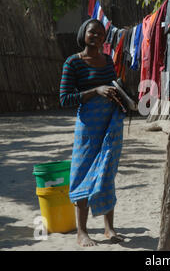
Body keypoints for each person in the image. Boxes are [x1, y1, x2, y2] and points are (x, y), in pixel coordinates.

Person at [59, 19, 126, 247]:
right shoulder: (72, 63)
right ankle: (82, 232)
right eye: (92, 32)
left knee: (107, 171)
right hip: (88, 127)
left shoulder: (107, 60)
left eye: (100, 33)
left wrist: (121, 97)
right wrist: (95, 90)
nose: (96, 36)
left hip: (110, 123)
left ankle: (109, 229)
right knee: (81, 174)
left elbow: (113, 84)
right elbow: (65, 99)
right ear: (83, 34)